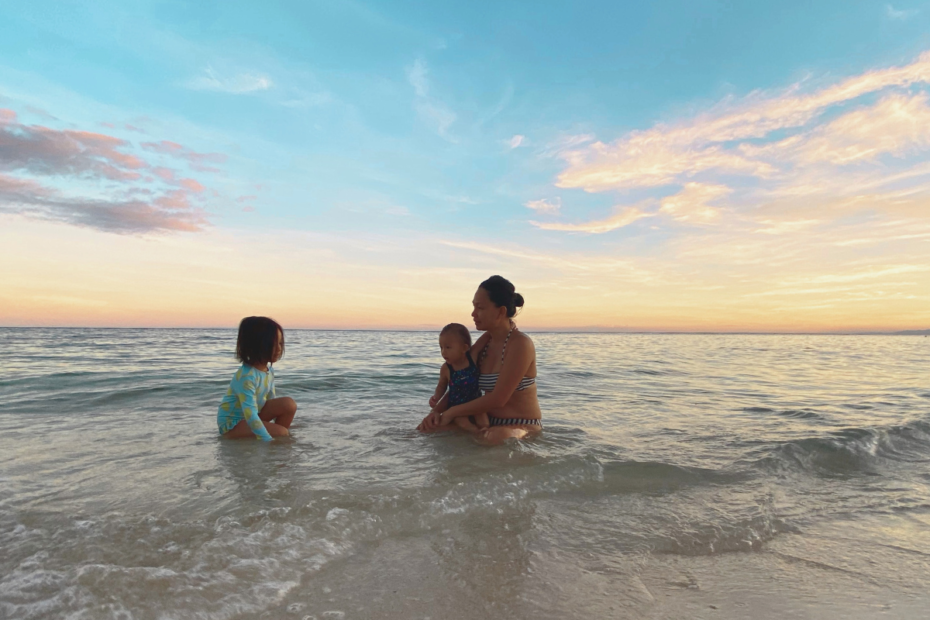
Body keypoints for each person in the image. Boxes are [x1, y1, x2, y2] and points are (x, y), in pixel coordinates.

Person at [417, 276, 541, 445]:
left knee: (495, 437)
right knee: (424, 431)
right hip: (485, 422)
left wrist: (451, 413)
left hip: (521, 426)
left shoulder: (520, 344)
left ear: (501, 311)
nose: (473, 314)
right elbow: (460, 384)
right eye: (473, 306)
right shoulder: (483, 347)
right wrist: (436, 412)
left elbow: (498, 399)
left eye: (480, 307)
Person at [217, 316, 297, 441]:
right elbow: (250, 414)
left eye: (280, 343)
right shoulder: (247, 376)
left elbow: (270, 400)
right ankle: (271, 438)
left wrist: (274, 427)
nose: (279, 349)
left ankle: (274, 436)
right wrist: (268, 439)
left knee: (288, 404)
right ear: (256, 345)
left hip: (253, 415)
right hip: (234, 423)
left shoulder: (268, 371)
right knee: (281, 433)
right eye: (273, 344)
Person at [428, 323, 488, 433]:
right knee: (462, 421)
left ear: (464, 348)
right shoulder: (446, 368)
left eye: (448, 347)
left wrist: (509, 326)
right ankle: (476, 432)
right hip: (456, 407)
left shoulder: (472, 358)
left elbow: (483, 340)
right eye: (441, 347)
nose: (443, 352)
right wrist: (436, 397)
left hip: (475, 403)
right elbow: (442, 386)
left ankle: (485, 432)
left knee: (483, 419)